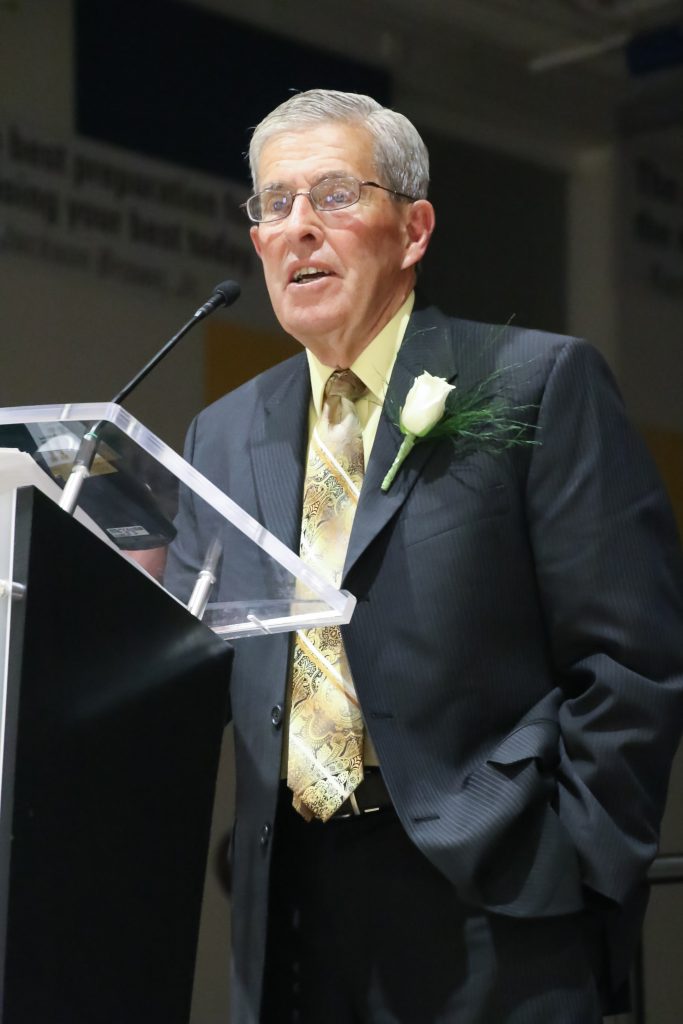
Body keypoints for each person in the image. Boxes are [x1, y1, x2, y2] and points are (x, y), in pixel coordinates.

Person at [165, 90, 683, 1023]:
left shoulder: (533, 382)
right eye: (275, 203)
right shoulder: (222, 433)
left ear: (413, 230)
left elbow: (629, 656)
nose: (299, 227)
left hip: (493, 898)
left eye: (334, 195)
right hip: (291, 915)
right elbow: (200, 661)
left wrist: (577, 864)